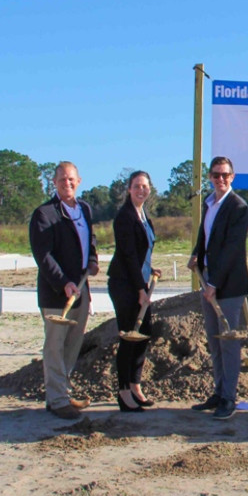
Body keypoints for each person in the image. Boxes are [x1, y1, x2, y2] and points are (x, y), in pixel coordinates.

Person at [29, 161, 99, 420]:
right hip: (57, 293)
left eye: (71, 179)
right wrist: (63, 283)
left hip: (81, 290)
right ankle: (57, 400)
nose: (67, 184)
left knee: (72, 344)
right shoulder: (44, 214)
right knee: (55, 346)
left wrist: (92, 259)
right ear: (54, 183)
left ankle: (61, 392)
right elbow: (43, 256)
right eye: (61, 180)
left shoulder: (85, 209)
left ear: (79, 181)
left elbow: (90, 238)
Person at [188, 157, 248, 420]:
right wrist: (197, 255)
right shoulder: (209, 203)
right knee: (214, 340)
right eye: (216, 175)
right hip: (208, 278)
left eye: (225, 175)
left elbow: (232, 248)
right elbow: (205, 236)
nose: (220, 179)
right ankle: (218, 392)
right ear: (210, 177)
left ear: (233, 176)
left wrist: (214, 283)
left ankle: (229, 398)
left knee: (228, 342)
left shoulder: (238, 207)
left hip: (227, 284)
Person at [107, 171, 163, 413]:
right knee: (129, 337)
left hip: (139, 281)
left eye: (145, 186)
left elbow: (143, 252)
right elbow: (129, 256)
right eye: (137, 186)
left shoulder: (144, 216)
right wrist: (141, 289)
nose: (141, 190)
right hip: (124, 284)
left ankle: (135, 385)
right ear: (128, 189)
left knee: (144, 334)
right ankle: (123, 393)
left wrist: (151, 268)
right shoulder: (124, 217)